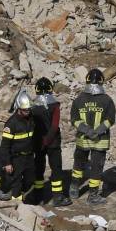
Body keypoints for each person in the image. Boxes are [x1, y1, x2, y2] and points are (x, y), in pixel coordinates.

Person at [70, 68, 115, 205]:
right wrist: (98, 131)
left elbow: (74, 120)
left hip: (83, 140)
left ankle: (74, 189)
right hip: (99, 141)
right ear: (102, 81)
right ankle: (93, 196)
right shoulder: (107, 100)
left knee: (78, 165)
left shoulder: (79, 100)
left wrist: (86, 131)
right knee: (96, 169)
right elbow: (110, 119)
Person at [31, 78, 71, 207]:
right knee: (56, 168)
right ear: (50, 89)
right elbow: (54, 126)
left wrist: (42, 142)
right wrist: (48, 140)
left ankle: (37, 195)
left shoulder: (33, 107)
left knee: (38, 167)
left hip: (38, 142)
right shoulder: (55, 106)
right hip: (53, 142)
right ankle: (57, 197)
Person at [0, 90, 36, 201]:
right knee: (16, 184)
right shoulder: (11, 124)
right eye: (25, 110)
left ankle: (22, 198)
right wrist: (7, 163)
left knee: (29, 180)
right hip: (16, 158)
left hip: (29, 157)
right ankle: (16, 205)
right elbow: (5, 145)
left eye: (29, 109)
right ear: (19, 108)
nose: (28, 111)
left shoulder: (30, 118)